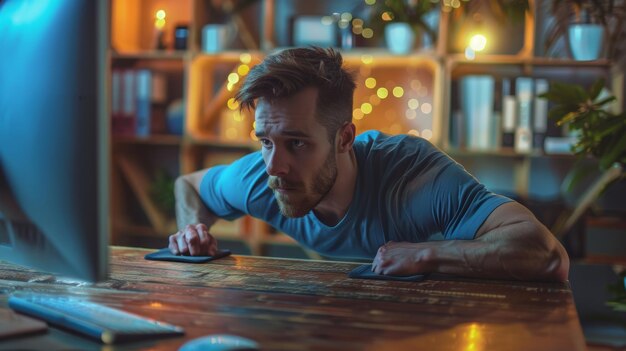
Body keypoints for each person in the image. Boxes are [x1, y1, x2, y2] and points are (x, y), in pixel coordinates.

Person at [168, 47, 569, 282]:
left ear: (345, 138)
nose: (276, 166)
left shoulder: (416, 178)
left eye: (296, 143)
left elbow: (547, 253)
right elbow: (189, 185)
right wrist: (191, 231)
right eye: (266, 142)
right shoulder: (262, 175)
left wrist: (430, 254)